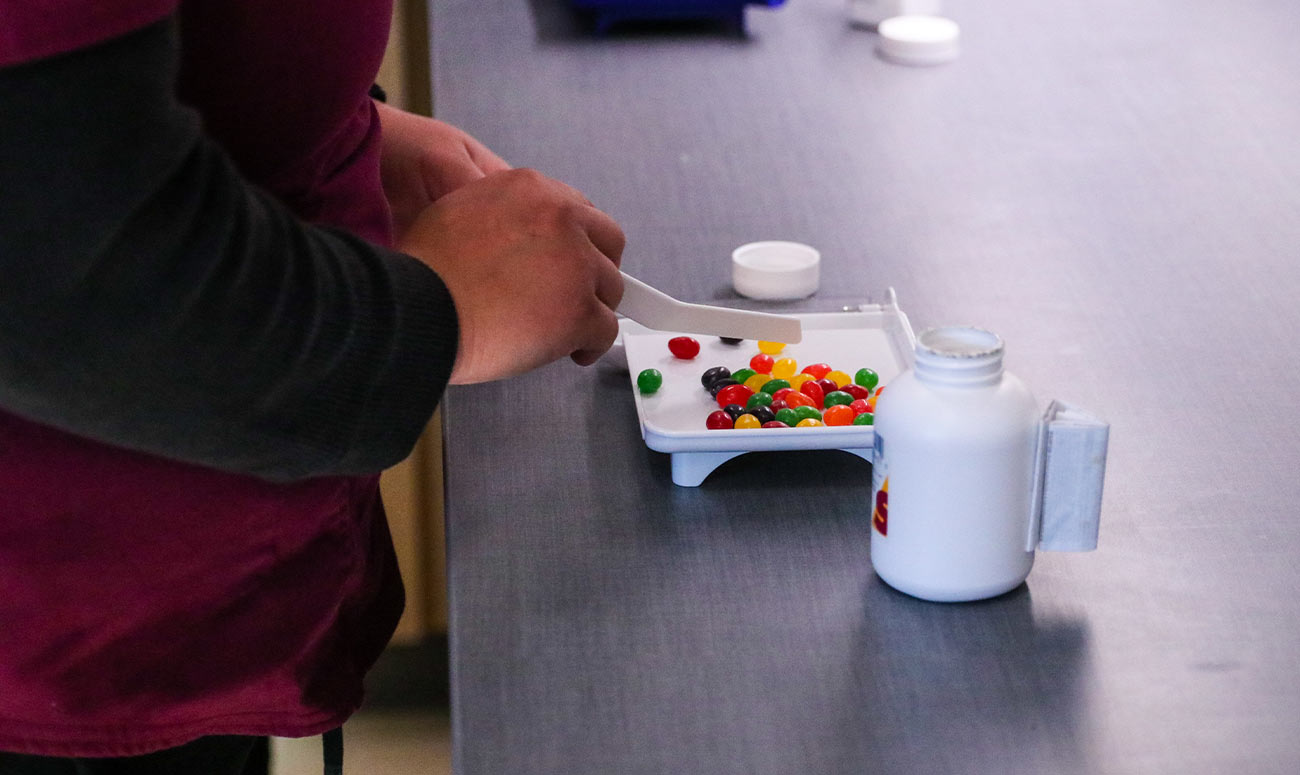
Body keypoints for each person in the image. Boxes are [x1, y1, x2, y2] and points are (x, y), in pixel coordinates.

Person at [0, 0, 624, 772]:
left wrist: (321, 125)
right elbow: (62, 284)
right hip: (61, 651)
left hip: (182, 614)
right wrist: (442, 314)